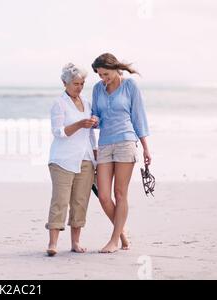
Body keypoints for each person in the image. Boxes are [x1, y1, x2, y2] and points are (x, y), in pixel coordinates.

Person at [91, 53, 151, 253]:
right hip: (105, 144)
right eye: (100, 75)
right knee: (104, 196)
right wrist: (94, 119)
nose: (103, 79)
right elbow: (96, 114)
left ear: (115, 68)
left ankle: (114, 240)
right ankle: (123, 235)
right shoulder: (97, 89)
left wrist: (145, 147)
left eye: (106, 74)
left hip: (126, 141)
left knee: (120, 193)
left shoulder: (130, 86)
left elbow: (138, 117)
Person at [45, 63, 98, 256]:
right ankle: (52, 244)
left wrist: (95, 154)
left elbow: (90, 133)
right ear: (64, 82)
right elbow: (58, 132)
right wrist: (79, 124)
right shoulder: (59, 103)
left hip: (85, 159)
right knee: (60, 200)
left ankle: (75, 243)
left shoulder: (86, 101)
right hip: (62, 160)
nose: (79, 87)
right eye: (76, 83)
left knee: (80, 202)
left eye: (82, 83)